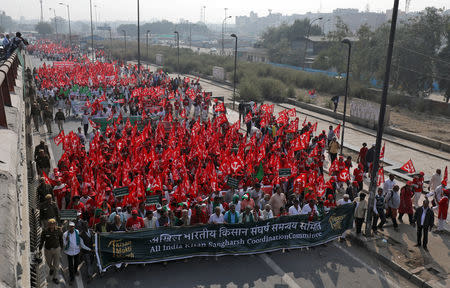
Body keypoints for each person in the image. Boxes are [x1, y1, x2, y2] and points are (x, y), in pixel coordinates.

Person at [39, 218, 63, 284]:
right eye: (50, 224)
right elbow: (42, 241)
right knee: (48, 262)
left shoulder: (59, 230)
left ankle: (55, 277)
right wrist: (39, 249)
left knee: (56, 264)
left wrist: (61, 248)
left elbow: (61, 239)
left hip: (56, 249)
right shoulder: (45, 231)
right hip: (48, 250)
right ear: (48, 225)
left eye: (53, 224)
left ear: (55, 224)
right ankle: (51, 268)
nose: (52, 226)